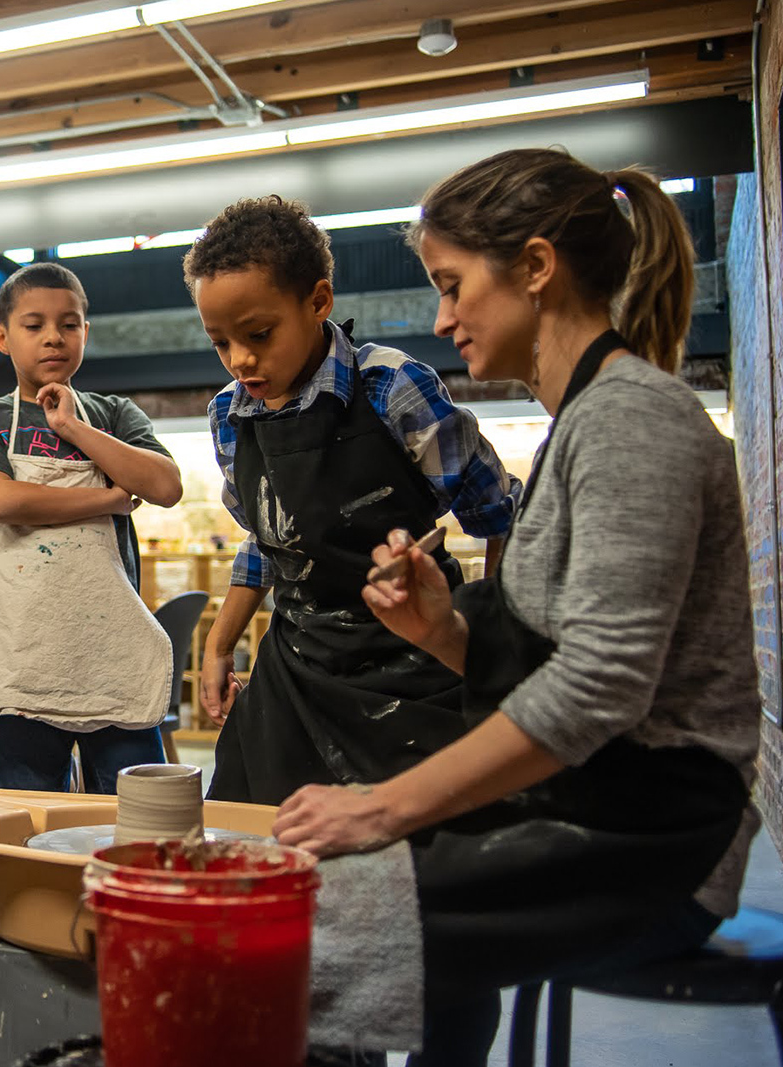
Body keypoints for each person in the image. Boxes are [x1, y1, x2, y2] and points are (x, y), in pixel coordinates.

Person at [273, 149, 761, 1066]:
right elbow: (567, 664)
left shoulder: (630, 418)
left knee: (287, 914)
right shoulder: (579, 424)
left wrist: (382, 807)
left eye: (454, 286)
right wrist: (442, 629)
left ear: (536, 268)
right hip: (591, 810)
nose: (441, 316)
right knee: (291, 888)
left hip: (647, 845)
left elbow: (602, 689)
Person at [185, 195, 520, 806]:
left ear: (318, 301)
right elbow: (271, 541)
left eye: (258, 334)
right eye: (220, 343)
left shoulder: (393, 389)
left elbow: (496, 514)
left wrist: (490, 653)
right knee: (254, 840)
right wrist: (217, 644)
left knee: (415, 859)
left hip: (418, 664)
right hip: (297, 671)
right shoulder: (231, 416)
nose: (240, 360)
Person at [0, 262, 183, 793]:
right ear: (3, 337)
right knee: (35, 816)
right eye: (34, 325)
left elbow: (166, 486)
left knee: (133, 812)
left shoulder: (114, 414)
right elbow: (0, 500)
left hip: (110, 651)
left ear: (86, 331)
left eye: (70, 323)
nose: (54, 337)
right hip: (21, 652)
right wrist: (109, 497)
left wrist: (71, 425)